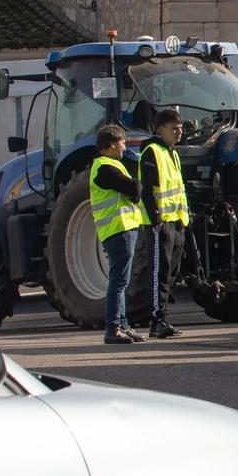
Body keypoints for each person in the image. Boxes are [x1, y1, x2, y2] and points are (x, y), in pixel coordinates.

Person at [89, 123, 146, 346]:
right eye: (123, 143)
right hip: (117, 230)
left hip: (123, 228)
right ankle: (113, 327)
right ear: (112, 144)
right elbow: (134, 189)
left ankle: (122, 325)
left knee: (122, 281)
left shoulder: (111, 165)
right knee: (119, 281)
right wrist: (137, 181)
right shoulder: (104, 167)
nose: (125, 147)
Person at [134, 107, 188, 339]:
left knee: (171, 273)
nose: (179, 132)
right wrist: (156, 219)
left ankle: (163, 318)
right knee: (160, 273)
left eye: (180, 127)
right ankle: (157, 320)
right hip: (161, 224)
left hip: (176, 222)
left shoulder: (172, 153)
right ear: (160, 129)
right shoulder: (152, 152)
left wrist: (183, 220)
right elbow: (146, 190)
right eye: (174, 128)